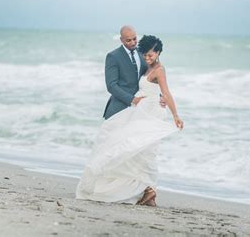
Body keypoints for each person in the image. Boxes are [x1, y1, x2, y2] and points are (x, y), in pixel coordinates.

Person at [75, 32, 184, 207]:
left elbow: (167, 92)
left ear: (159, 53)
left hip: (153, 112)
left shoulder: (160, 70)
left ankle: (150, 189)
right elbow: (119, 84)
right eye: (145, 54)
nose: (147, 58)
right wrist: (155, 95)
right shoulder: (146, 66)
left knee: (146, 151)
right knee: (134, 149)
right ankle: (146, 191)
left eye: (150, 55)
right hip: (141, 110)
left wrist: (175, 115)